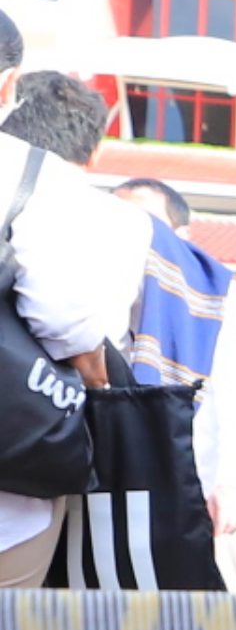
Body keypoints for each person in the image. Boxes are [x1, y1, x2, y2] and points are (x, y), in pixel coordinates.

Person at [0, 66, 158, 591]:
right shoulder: (104, 213)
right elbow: (63, 312)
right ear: (94, 153)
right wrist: (92, 369)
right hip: (20, 471)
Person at [109, 177, 236, 578]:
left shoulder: (213, 293)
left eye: (145, 222)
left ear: (181, 234)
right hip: (115, 493)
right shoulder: (99, 285)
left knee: (205, 627)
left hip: (201, 494)